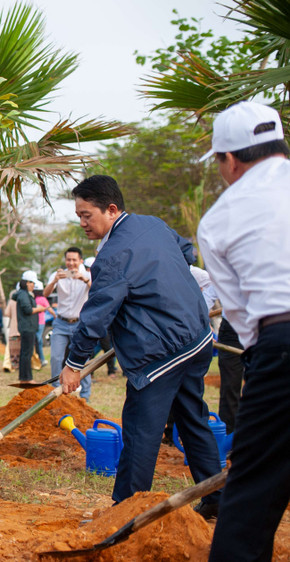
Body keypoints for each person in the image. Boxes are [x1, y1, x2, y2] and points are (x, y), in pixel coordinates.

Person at [58, 175, 222, 513]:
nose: (82, 223)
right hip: (197, 338)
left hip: (161, 355)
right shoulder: (153, 224)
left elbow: (96, 317)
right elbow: (186, 251)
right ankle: (217, 499)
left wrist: (73, 364)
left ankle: (126, 510)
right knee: (193, 420)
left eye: (87, 215)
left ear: (111, 209)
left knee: (140, 429)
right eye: (79, 216)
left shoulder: (112, 257)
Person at [197, 101, 290, 561]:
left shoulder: (218, 219)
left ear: (230, 159)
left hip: (281, 342)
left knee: (252, 494)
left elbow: (241, 317)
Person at [44, 246, 92, 401]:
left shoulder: (88, 275)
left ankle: (85, 396)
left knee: (83, 360)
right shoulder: (58, 275)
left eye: (74, 260)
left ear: (81, 261)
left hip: (79, 323)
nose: (71, 263)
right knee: (56, 358)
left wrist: (84, 279)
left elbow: (98, 291)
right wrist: (55, 281)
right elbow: (45, 294)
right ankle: (55, 394)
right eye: (68, 260)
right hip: (61, 323)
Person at [16, 271, 44, 382]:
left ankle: (24, 377)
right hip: (27, 327)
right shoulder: (23, 294)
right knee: (27, 353)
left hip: (28, 327)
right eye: (32, 283)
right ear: (27, 283)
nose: (33, 286)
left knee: (25, 353)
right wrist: (39, 308)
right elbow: (27, 310)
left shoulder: (24, 294)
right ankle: (27, 378)